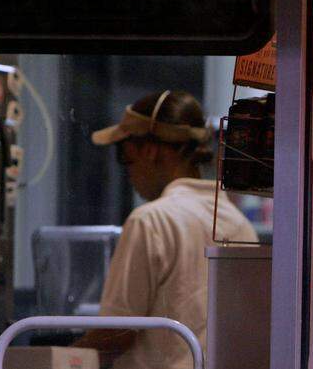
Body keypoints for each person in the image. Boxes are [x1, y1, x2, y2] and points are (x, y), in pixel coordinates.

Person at [74, 90, 256, 369]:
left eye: (125, 157)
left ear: (150, 150)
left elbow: (117, 333)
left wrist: (54, 359)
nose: (129, 173)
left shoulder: (151, 221)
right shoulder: (239, 224)